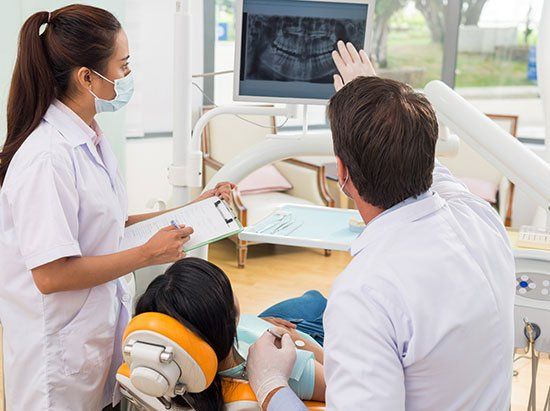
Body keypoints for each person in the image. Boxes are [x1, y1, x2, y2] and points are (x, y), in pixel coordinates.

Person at [246, 41, 515, 410]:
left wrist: (270, 384)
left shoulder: (366, 293)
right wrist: (380, 102)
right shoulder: (480, 217)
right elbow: (433, 170)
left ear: (341, 173)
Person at [0, 5, 233, 410]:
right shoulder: (47, 158)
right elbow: (50, 274)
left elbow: (110, 224)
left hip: (94, 341)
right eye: (122, 66)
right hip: (57, 364)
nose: (127, 77)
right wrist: (147, 254)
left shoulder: (89, 135)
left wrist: (193, 208)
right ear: (87, 77)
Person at [135, 257, 327, 410]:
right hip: (296, 336)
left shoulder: (163, 365)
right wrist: (297, 340)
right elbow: (336, 379)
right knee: (317, 301)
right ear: (230, 314)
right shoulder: (283, 368)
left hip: (255, 327)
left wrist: (257, 324)